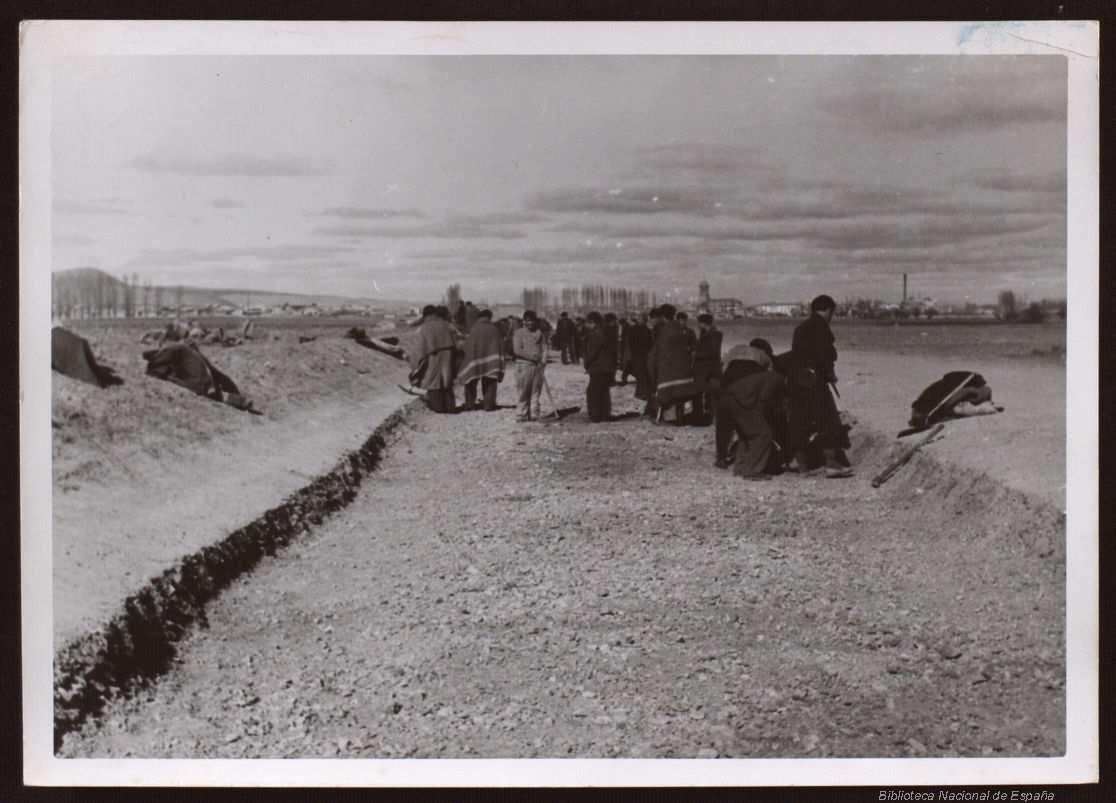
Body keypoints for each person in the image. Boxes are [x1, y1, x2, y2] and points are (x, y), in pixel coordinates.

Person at [786, 294, 853, 478]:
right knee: (828, 420)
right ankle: (831, 464)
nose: (832, 317)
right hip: (814, 380)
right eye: (832, 312)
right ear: (827, 310)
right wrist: (830, 374)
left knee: (798, 421)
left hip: (795, 379)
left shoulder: (800, 328)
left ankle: (802, 467)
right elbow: (824, 355)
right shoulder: (821, 327)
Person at [715, 345, 785, 479]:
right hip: (741, 399)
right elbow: (764, 399)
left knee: (745, 435)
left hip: (726, 394)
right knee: (763, 434)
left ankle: (739, 467)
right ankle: (752, 471)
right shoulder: (777, 379)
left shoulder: (737, 353)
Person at [647, 303, 698, 424]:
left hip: (668, 370)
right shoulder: (683, 329)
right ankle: (680, 419)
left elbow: (657, 351)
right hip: (684, 371)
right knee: (680, 397)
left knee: (664, 394)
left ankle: (659, 418)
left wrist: (652, 368)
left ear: (663, 316)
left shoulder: (662, 330)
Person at [408, 304, 458, 413]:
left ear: (425, 315)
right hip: (448, 356)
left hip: (433, 359)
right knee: (447, 382)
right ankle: (450, 407)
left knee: (433, 383)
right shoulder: (446, 325)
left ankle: (439, 409)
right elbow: (457, 343)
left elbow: (418, 352)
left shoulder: (424, 328)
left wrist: (414, 369)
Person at [457, 309, 504, 411]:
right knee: (490, 382)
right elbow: (500, 346)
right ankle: (489, 405)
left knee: (470, 382)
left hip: (475, 361)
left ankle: (470, 405)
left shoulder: (474, 328)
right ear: (490, 317)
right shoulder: (494, 329)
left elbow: (468, 345)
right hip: (492, 362)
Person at [512, 309, 547, 422]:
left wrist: (543, 360)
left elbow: (544, 348)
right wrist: (531, 356)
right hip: (523, 366)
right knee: (523, 391)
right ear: (524, 321)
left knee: (536, 391)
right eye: (527, 321)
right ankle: (522, 414)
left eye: (532, 321)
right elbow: (517, 350)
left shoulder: (539, 333)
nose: (530, 323)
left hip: (537, 367)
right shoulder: (518, 333)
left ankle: (534, 413)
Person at [583, 311, 615, 422]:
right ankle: (604, 415)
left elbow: (592, 352)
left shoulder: (596, 335)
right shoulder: (605, 332)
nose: (586, 325)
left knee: (593, 392)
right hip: (606, 367)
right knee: (603, 391)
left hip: (598, 367)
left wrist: (586, 363)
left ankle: (595, 416)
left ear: (594, 323)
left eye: (588, 323)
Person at [692, 313, 723, 421]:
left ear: (702, 323)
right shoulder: (716, 334)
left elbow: (711, 351)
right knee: (711, 393)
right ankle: (711, 414)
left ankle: (699, 415)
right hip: (714, 367)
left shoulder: (711, 335)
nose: (697, 325)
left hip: (704, 367)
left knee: (698, 391)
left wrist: (695, 354)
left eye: (698, 323)